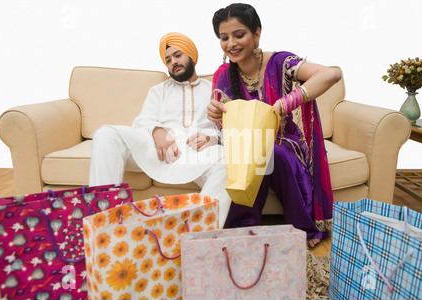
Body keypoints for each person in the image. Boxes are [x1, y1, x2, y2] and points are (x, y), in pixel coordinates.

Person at [207, 3, 342, 247]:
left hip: (284, 141)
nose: (231, 44)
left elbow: (331, 74)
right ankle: (243, 230)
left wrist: (283, 104)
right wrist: (215, 114)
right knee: (250, 154)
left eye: (239, 35)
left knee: (271, 152)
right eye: (224, 38)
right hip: (243, 144)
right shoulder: (223, 75)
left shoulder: (279, 62)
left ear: (257, 34)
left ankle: (301, 227)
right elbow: (223, 125)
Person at [89, 32, 231, 228]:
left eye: (178, 55)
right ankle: (102, 226)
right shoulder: (159, 90)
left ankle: (198, 235)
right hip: (159, 151)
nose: (173, 62)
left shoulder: (213, 89)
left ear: (191, 55)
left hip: (197, 153)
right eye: (168, 60)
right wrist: (158, 132)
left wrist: (212, 139)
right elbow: (142, 121)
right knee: (106, 134)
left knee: (229, 162)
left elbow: (224, 127)